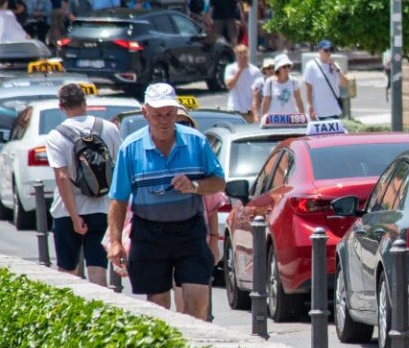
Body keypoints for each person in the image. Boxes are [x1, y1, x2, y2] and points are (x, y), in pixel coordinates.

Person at [106, 83, 226, 320]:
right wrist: (115, 241)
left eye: (169, 114)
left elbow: (219, 182)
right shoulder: (130, 148)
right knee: (158, 307)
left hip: (189, 230)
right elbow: (118, 199)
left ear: (177, 111)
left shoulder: (196, 142)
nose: (163, 121)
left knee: (198, 299)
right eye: (157, 114)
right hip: (149, 233)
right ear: (145, 113)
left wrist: (194, 186)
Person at [47, 83, 122, 286]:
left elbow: (62, 177)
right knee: (98, 268)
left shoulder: (56, 136)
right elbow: (119, 167)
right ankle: (101, 313)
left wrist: (74, 217)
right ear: (85, 102)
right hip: (101, 207)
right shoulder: (108, 128)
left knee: (67, 272)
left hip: (66, 211)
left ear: (61, 106)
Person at [304, 39, 349, 120]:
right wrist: (310, 106)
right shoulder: (311, 66)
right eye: (326, 50)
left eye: (330, 50)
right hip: (318, 112)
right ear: (319, 50)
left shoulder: (335, 65)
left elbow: (345, 83)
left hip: (334, 111)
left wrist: (336, 69)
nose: (328, 53)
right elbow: (309, 89)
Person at [260, 52, 305, 118]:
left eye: (288, 66)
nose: (287, 69)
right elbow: (265, 103)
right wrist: (263, 119)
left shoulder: (294, 81)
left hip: (291, 119)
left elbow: (299, 101)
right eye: (284, 67)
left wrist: (302, 117)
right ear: (278, 68)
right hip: (274, 120)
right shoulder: (269, 82)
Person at [224, 43, 260, 122]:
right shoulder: (230, 68)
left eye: (244, 57)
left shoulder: (255, 71)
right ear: (236, 56)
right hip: (234, 109)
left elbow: (258, 91)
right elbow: (229, 86)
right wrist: (239, 70)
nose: (242, 60)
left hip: (249, 111)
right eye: (240, 57)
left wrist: (253, 107)